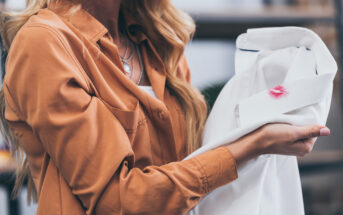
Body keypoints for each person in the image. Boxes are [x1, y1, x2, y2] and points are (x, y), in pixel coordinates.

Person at [0, 0, 330, 214]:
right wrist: (253, 145)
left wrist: (265, 107)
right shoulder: (46, 42)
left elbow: (190, 157)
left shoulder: (155, 37)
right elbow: (115, 200)